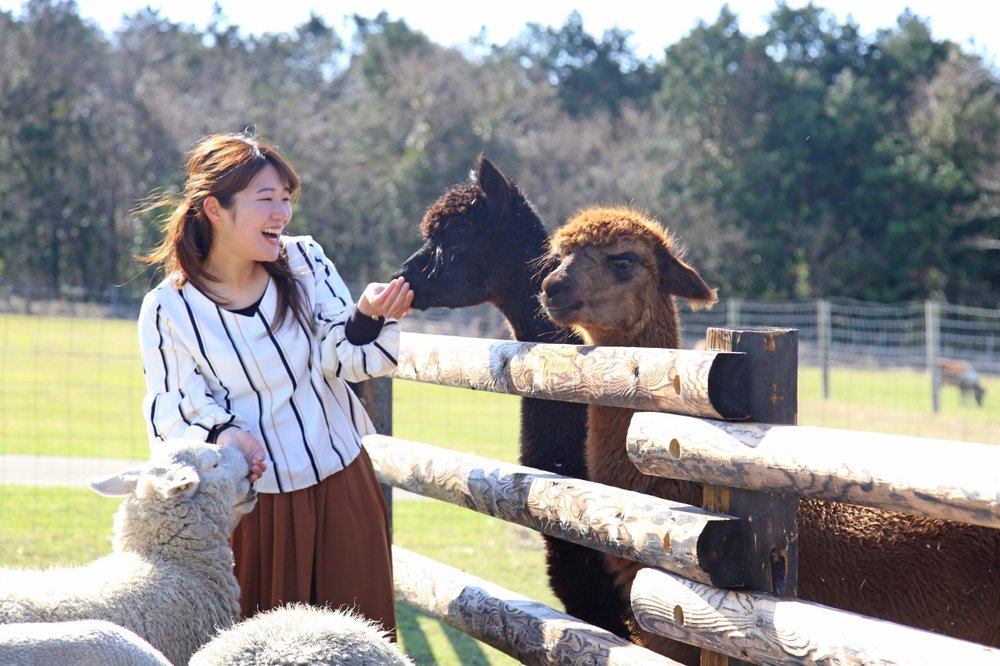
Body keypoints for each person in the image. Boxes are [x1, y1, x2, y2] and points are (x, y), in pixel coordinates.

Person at [135, 131, 412, 638]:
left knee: (359, 648)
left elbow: (345, 354)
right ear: (215, 209)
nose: (281, 214)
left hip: (341, 486)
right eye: (266, 200)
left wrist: (367, 316)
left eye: (286, 200)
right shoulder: (167, 308)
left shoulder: (305, 259)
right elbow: (174, 413)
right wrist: (226, 436)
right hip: (251, 510)